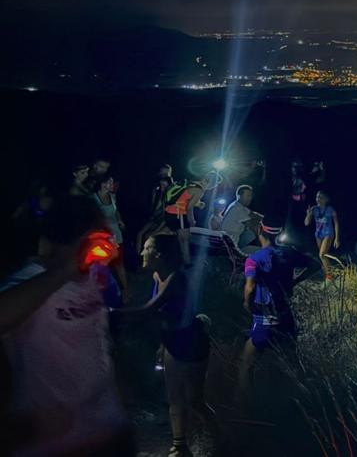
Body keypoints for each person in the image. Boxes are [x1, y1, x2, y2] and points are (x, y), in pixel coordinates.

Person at [0, 195, 132, 455]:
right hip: (54, 443)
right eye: (86, 241)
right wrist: (68, 268)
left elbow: (99, 337)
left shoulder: (96, 275)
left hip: (109, 431)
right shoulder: (31, 281)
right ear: (51, 244)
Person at [113, 235, 211, 456]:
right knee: (175, 397)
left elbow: (149, 309)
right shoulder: (158, 275)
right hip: (173, 341)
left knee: (194, 400)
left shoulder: (176, 278)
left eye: (147, 248)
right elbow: (160, 315)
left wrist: (110, 314)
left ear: (159, 254)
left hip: (191, 341)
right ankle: (180, 446)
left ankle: (217, 436)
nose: (141, 253)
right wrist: (162, 344)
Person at [238, 223, 319, 396]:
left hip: (265, 317)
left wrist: (246, 303)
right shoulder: (289, 253)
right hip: (286, 314)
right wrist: (296, 281)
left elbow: (250, 287)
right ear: (279, 233)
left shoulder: (254, 259)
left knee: (246, 362)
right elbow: (315, 264)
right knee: (292, 362)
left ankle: (243, 404)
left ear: (260, 231)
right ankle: (300, 399)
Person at [163, 172, 219, 264]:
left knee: (182, 237)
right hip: (178, 213)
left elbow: (185, 198)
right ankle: (186, 262)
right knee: (185, 239)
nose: (212, 187)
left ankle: (182, 259)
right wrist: (191, 220)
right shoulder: (199, 190)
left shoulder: (191, 183)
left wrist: (199, 204)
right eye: (213, 185)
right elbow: (189, 207)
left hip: (170, 211)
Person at [304, 191, 341, 279]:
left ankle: (330, 277)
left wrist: (337, 238)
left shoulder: (330, 209)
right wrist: (308, 215)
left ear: (326, 199)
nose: (318, 199)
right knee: (324, 256)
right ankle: (330, 273)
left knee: (322, 255)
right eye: (317, 197)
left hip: (328, 233)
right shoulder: (314, 209)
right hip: (318, 234)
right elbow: (306, 223)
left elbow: (336, 224)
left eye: (321, 197)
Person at [219, 185, 260, 249]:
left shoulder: (241, 207)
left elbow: (254, 215)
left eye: (251, 195)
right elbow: (251, 224)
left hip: (235, 240)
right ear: (239, 196)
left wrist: (268, 220)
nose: (250, 198)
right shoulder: (236, 208)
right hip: (227, 244)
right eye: (248, 196)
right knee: (254, 230)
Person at [90, 174, 125, 245]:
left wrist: (119, 220)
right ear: (103, 184)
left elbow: (115, 211)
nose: (113, 184)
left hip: (115, 232)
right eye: (110, 182)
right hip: (102, 234)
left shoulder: (112, 196)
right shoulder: (93, 198)